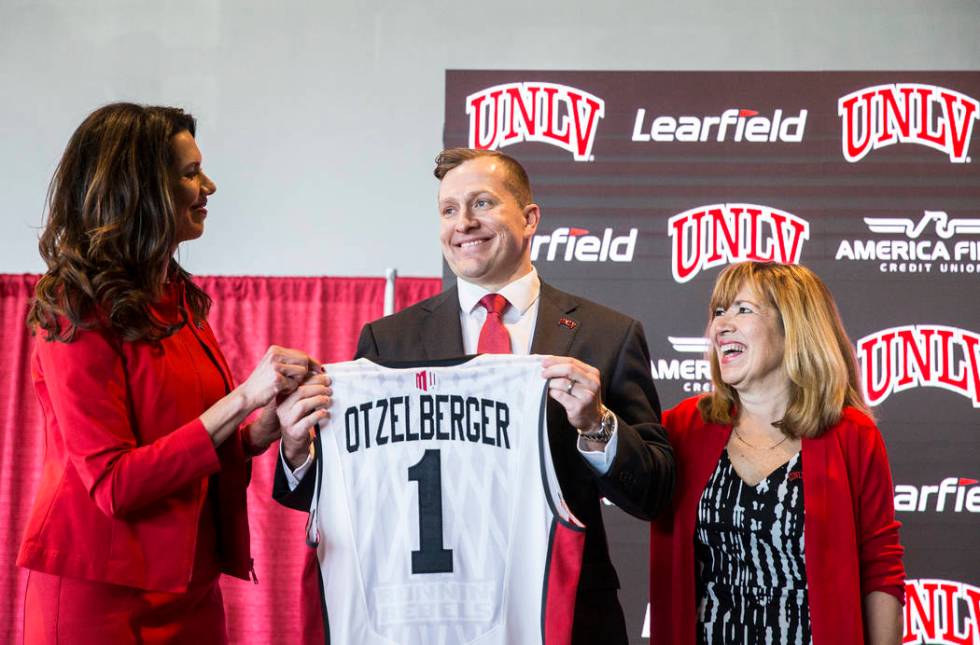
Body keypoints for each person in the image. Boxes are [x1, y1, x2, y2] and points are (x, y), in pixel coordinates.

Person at [273, 147, 675, 643]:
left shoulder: (605, 334)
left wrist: (598, 425)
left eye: (482, 203)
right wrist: (296, 450)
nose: (463, 222)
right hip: (426, 620)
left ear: (530, 219)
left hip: (565, 617)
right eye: (448, 210)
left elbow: (654, 493)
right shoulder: (388, 341)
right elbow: (351, 492)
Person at [18, 102, 324, 644]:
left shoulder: (178, 297)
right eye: (189, 174)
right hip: (103, 600)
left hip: (190, 588)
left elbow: (182, 444)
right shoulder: (74, 307)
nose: (209, 186)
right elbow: (114, 483)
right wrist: (243, 399)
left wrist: (262, 429)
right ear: (139, 190)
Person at [649, 261, 905, 645]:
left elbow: (880, 569)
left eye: (743, 309)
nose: (721, 325)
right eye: (719, 312)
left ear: (793, 327)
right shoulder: (683, 427)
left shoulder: (852, 434)